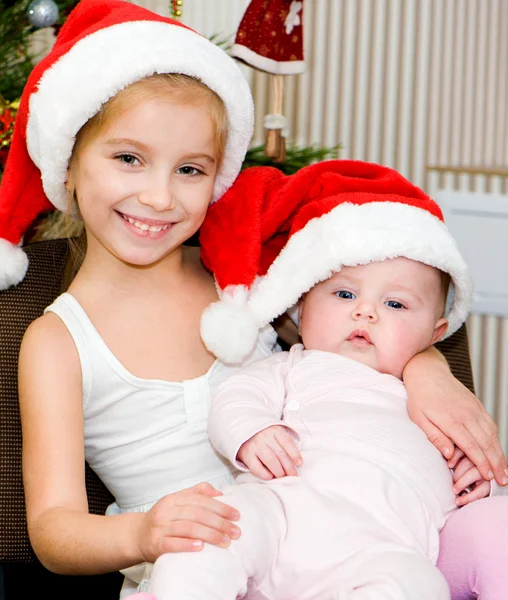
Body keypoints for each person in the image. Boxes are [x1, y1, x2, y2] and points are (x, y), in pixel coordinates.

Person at [0, 0, 505, 597]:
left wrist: (426, 369)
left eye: (191, 169)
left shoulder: (246, 276)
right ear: (69, 165)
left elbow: (372, 313)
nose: (160, 197)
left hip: (345, 549)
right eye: (129, 158)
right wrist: (143, 535)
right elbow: (54, 531)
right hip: (204, 566)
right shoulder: (58, 341)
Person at [136, 161, 508, 600]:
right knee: (216, 528)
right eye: (345, 294)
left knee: (417, 583)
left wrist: (476, 480)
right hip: (282, 513)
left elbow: (479, 462)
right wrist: (252, 432)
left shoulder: (433, 400)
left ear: (436, 334)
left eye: (396, 304)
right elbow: (236, 396)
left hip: (383, 549)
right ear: (301, 310)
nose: (365, 312)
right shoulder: (294, 367)